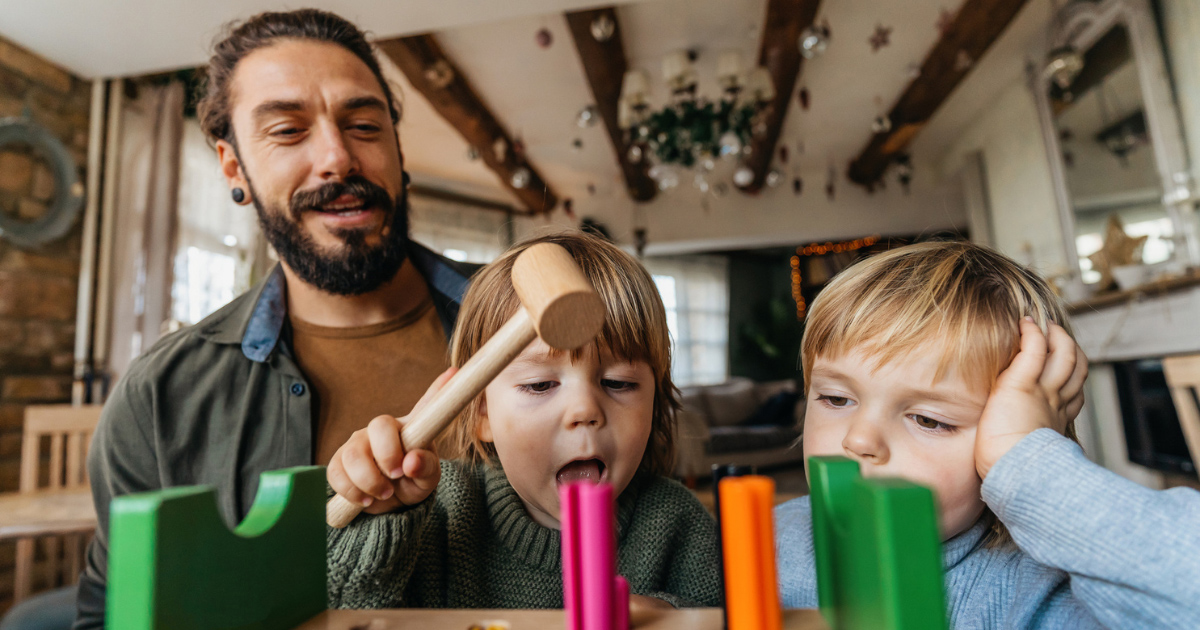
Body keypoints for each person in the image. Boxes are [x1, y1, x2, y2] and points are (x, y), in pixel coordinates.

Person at [72, 10, 479, 628]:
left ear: (398, 149)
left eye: (364, 125)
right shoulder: (160, 399)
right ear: (233, 167)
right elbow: (117, 613)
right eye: (288, 131)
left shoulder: (529, 330)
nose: (337, 158)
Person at [774, 241, 1200, 628]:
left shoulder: (1038, 592)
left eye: (929, 419)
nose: (860, 440)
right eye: (834, 398)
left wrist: (1028, 465)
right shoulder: (766, 542)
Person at [324, 232, 722, 609]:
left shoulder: (679, 524)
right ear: (480, 412)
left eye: (618, 383)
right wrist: (379, 517)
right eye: (539, 384)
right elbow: (340, 605)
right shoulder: (439, 512)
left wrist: (672, 614)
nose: (584, 410)